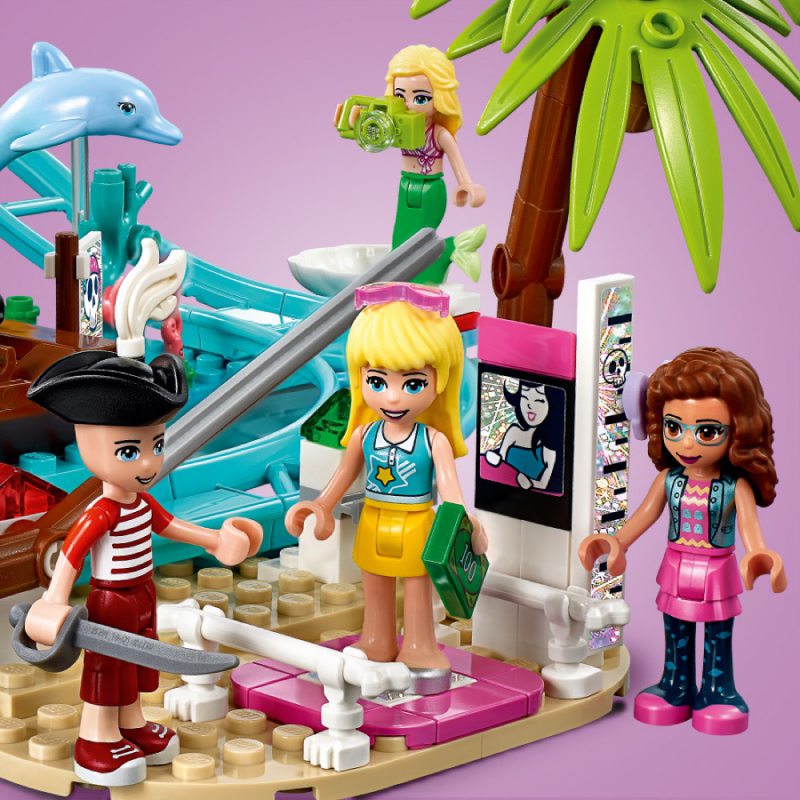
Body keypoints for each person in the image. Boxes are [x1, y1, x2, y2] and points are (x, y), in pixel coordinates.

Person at [25, 351, 262, 786]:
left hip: (142, 594)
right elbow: (72, 554)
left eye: (157, 446)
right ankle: (96, 737)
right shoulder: (102, 512)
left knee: (135, 664)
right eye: (130, 451)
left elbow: (171, 525)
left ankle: (130, 725)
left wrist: (215, 541)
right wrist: (54, 599)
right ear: (89, 448)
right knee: (107, 667)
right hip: (110, 599)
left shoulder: (141, 502)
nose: (150, 463)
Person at [285, 283, 486, 694]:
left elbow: (451, 493)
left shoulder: (433, 440)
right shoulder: (364, 435)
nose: (393, 396)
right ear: (360, 378)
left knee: (417, 588)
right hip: (374, 520)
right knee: (374, 585)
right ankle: (376, 641)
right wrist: (320, 506)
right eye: (377, 382)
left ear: (440, 381)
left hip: (416, 524)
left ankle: (420, 646)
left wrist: (468, 524)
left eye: (412, 384)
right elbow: (342, 477)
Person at [579, 347, 785, 735]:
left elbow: (750, 530)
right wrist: (617, 542)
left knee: (718, 633)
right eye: (675, 428)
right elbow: (643, 516)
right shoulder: (669, 480)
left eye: (706, 432)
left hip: (717, 569)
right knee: (675, 629)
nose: (687, 444)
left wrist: (760, 554)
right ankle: (675, 686)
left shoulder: (735, 486)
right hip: (676, 566)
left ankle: (719, 691)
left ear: (739, 431)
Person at [338, 45, 486, 284]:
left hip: (430, 190)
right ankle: (449, 253)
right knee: (401, 244)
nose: (408, 104)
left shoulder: (438, 134)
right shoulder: (396, 128)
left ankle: (450, 250)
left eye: (420, 98)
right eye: (399, 96)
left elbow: (456, 158)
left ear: (439, 98)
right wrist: (352, 122)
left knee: (417, 244)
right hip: (405, 186)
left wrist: (466, 184)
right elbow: (373, 137)